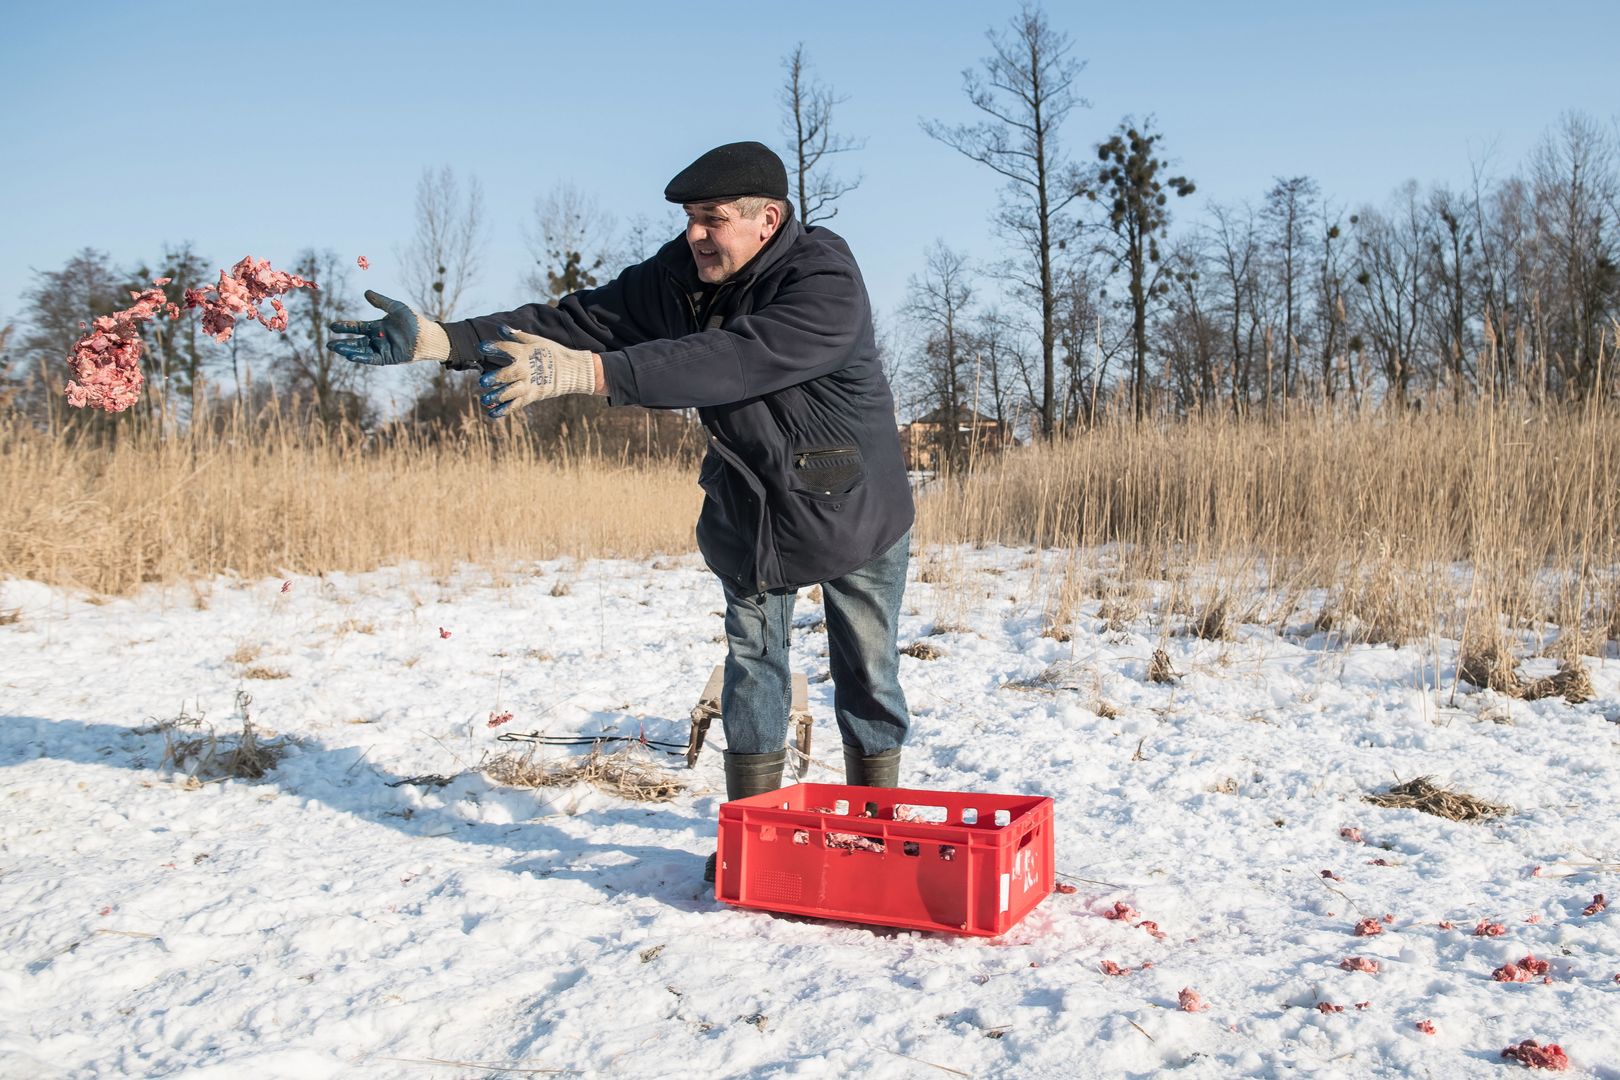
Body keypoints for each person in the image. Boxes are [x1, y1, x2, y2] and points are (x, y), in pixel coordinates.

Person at [329, 142, 913, 880]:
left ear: (768, 220)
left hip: (849, 502)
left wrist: (594, 375)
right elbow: (581, 319)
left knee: (866, 669)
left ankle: (877, 833)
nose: (698, 234)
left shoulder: (824, 280)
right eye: (691, 219)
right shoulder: (681, 273)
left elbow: (733, 359)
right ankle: (754, 839)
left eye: (714, 219)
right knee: (753, 663)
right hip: (751, 507)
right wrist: (448, 340)